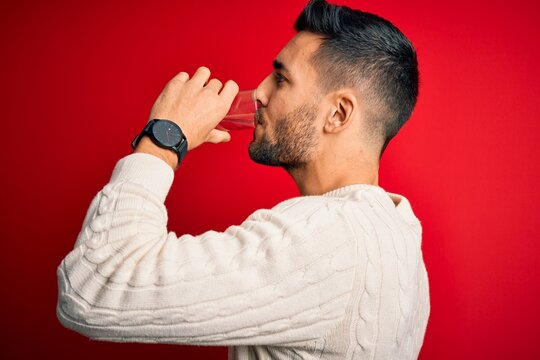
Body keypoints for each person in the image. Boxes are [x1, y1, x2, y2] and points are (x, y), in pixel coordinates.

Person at [56, 0, 430, 359]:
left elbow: (93, 286)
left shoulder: (327, 238)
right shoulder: (399, 234)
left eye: (281, 79)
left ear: (338, 113)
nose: (260, 92)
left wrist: (164, 136)